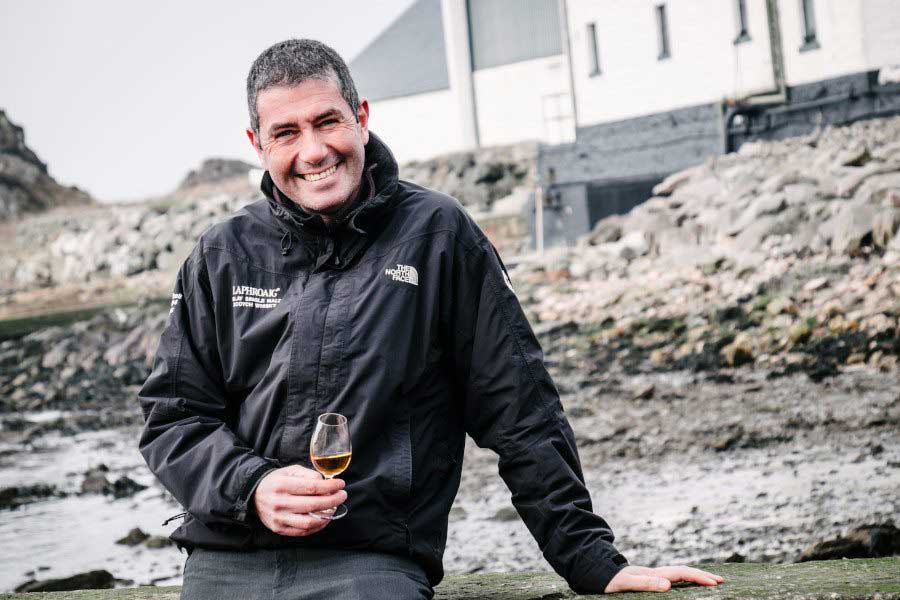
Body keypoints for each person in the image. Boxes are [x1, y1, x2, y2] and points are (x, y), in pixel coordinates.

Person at [138, 39, 724, 598]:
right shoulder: (222, 253)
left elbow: (518, 408)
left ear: (361, 117)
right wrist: (253, 486)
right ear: (257, 142)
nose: (313, 151)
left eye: (328, 122)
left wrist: (590, 558)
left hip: (371, 563)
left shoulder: (438, 236)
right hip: (227, 556)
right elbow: (173, 415)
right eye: (286, 133)